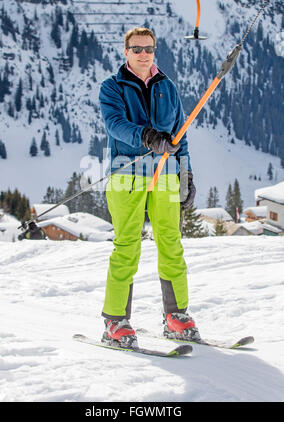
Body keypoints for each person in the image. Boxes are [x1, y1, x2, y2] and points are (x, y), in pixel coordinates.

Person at [99, 27, 199, 348]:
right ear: (125, 51)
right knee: (127, 246)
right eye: (137, 48)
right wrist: (146, 136)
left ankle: (176, 316)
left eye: (149, 48)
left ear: (155, 51)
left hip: (165, 175)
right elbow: (115, 124)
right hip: (127, 175)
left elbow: (178, 134)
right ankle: (116, 321)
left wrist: (186, 173)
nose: (143, 54)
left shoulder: (167, 87)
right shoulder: (112, 87)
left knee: (171, 242)